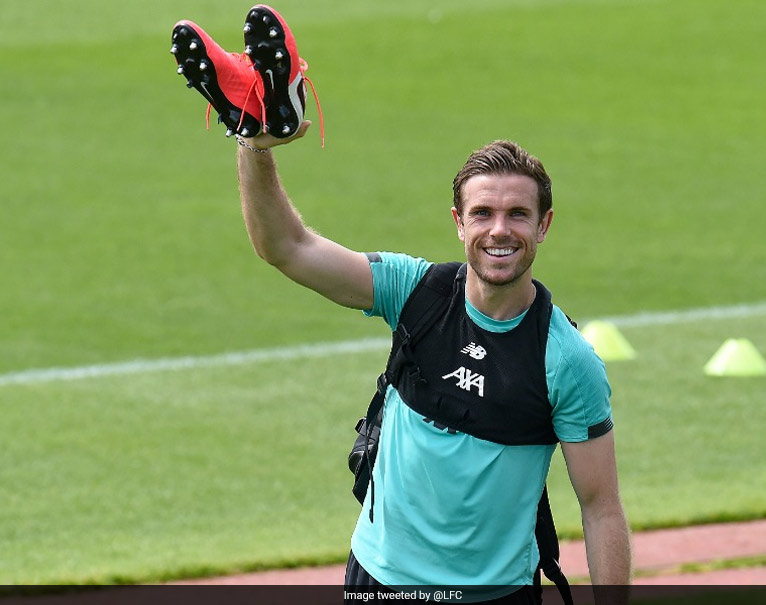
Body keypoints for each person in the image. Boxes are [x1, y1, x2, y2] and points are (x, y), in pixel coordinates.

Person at [171, 6, 632, 603]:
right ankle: (261, 114)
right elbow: (285, 248)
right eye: (483, 214)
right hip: (379, 582)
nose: (500, 230)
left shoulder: (566, 360)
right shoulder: (414, 291)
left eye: (518, 214)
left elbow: (601, 509)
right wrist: (254, 146)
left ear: (544, 225)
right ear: (458, 223)